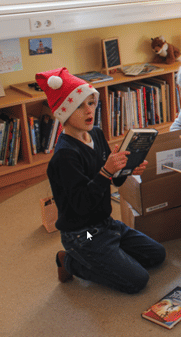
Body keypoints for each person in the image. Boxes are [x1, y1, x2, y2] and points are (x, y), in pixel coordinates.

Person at [36, 68, 166, 294]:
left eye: (91, 103)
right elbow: (81, 204)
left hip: (106, 224)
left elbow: (114, 182)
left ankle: (107, 256)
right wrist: (106, 171)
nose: (89, 111)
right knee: (137, 281)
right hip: (82, 234)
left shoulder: (95, 134)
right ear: (64, 113)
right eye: (79, 106)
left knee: (157, 255)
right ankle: (69, 261)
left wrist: (126, 169)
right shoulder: (65, 156)